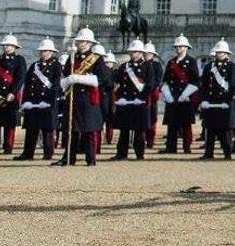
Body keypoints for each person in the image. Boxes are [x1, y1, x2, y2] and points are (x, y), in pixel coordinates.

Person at [57, 28, 110, 167]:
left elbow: (102, 79)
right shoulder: (72, 56)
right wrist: (69, 79)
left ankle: (90, 158)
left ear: (90, 43)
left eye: (85, 41)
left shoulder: (96, 59)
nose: (82, 43)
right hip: (73, 97)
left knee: (89, 130)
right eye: (80, 41)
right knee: (71, 129)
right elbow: (66, 73)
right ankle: (68, 157)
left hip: (88, 98)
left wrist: (80, 78)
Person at [16, 39, 61, 161]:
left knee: (47, 130)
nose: (43, 53)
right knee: (31, 129)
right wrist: (25, 101)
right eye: (41, 51)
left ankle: (48, 153)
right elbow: (28, 83)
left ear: (51, 52)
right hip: (33, 101)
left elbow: (57, 84)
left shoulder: (57, 66)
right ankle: (28, 153)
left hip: (47, 101)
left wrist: (49, 100)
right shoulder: (34, 65)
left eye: (45, 51)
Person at [0, 34, 25, 154]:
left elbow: (20, 78)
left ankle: (8, 147)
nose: (6, 47)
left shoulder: (19, 60)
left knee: (9, 124)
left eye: (9, 45)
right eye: (5, 45)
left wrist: (13, 92)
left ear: (14, 47)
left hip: (9, 96)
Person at [111, 40, 152, 160]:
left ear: (141, 53)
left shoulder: (147, 66)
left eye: (135, 52)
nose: (133, 54)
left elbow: (150, 85)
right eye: (131, 52)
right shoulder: (124, 66)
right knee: (124, 130)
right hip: (125, 101)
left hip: (139, 102)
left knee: (139, 131)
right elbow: (117, 81)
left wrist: (141, 98)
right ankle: (121, 153)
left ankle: (139, 154)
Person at [198, 40, 235, 160]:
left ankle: (227, 153)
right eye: (218, 51)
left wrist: (228, 100)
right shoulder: (209, 67)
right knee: (210, 129)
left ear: (226, 53)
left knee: (225, 131)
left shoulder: (232, 67)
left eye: (222, 52)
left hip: (224, 102)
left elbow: (233, 85)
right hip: (211, 101)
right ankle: (208, 152)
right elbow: (204, 85)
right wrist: (203, 100)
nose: (219, 54)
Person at [160, 35, 200, 154]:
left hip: (185, 96)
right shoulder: (171, 62)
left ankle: (186, 148)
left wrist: (186, 94)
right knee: (172, 124)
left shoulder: (191, 61)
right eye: (176, 46)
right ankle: (171, 147)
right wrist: (166, 93)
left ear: (186, 48)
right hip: (172, 96)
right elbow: (166, 79)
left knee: (186, 124)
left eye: (181, 46)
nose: (178, 48)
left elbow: (195, 80)